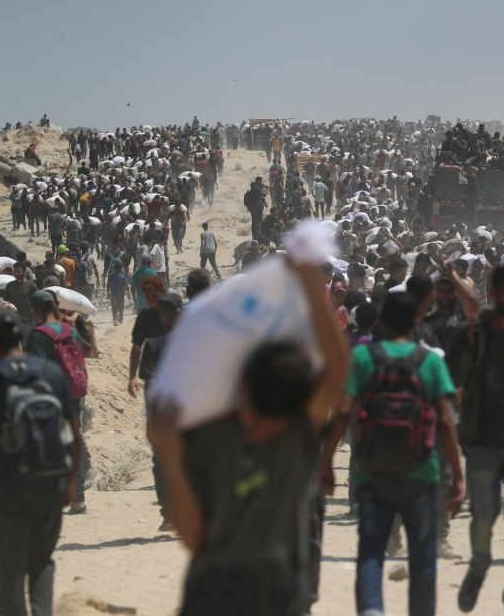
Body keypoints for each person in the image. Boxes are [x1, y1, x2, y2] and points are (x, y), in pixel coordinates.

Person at [146, 260, 348, 616]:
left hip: (273, 595)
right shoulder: (214, 435)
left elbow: (336, 372)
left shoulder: (295, 435)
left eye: (270, 423)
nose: (259, 430)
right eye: (256, 416)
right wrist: (171, 459)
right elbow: (194, 537)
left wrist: (313, 290)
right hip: (217, 594)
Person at [319, 291, 463, 616]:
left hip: (372, 472)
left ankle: (372, 610)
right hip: (422, 473)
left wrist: (326, 464)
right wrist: (457, 476)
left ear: (381, 321)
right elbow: (445, 419)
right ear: (417, 322)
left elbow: (342, 410)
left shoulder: (363, 358)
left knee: (371, 552)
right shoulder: (431, 361)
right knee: (422, 556)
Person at [447, 265, 504, 616]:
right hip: (482, 442)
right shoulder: (473, 332)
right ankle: (479, 566)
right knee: (483, 518)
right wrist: (455, 391)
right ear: (495, 293)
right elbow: (449, 370)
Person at [0, 308, 82, 616]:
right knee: (41, 561)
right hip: (52, 482)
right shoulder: (50, 373)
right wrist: (69, 483)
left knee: (12, 564)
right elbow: (74, 431)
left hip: (7, 486)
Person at [27, 290, 90, 516]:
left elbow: (38, 369)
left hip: (52, 397)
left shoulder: (38, 334)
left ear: (35, 310)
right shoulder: (69, 329)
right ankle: (79, 499)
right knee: (74, 441)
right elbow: (82, 354)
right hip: (75, 392)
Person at [137, 292, 183, 531]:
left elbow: (150, 383)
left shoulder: (154, 344)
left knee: (162, 462)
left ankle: (168, 513)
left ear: (162, 316)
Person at [128, 277, 167, 399]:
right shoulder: (145, 317)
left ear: (162, 291)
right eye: (148, 297)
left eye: (154, 296)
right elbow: (137, 346)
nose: (151, 301)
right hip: (153, 371)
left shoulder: (173, 312)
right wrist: (132, 376)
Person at [108, 262, 128, 326]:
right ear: (120, 269)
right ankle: (121, 321)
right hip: (121, 294)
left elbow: (108, 284)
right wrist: (129, 293)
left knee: (114, 308)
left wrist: (108, 292)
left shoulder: (112, 276)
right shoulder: (123, 276)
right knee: (121, 308)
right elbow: (126, 285)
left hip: (114, 294)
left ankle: (115, 320)